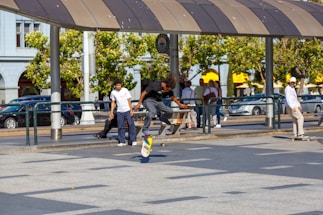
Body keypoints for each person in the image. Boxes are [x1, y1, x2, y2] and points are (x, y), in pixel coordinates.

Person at [110, 79, 137, 146]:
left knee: (131, 124)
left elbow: (129, 100)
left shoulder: (125, 90)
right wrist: (111, 112)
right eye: (117, 85)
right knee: (120, 126)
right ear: (115, 86)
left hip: (127, 109)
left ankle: (133, 140)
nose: (118, 86)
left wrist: (131, 110)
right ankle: (122, 141)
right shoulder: (113, 92)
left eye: (119, 85)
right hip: (120, 111)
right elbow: (113, 102)